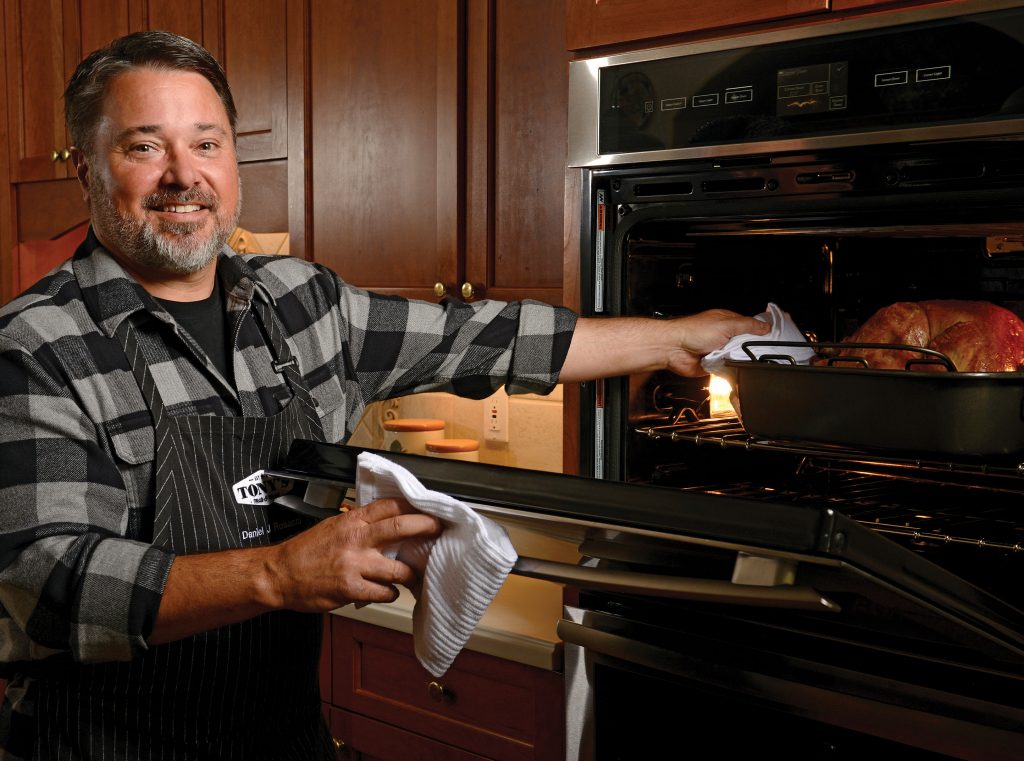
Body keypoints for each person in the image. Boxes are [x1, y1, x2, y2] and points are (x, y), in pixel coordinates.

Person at [0, 31, 770, 760]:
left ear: (233, 160)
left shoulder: (305, 306)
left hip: (279, 737)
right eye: (144, 146)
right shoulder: (36, 345)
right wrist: (279, 572)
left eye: (207, 143)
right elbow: (48, 582)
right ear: (87, 169)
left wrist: (677, 338)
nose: (183, 174)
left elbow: (490, 338)